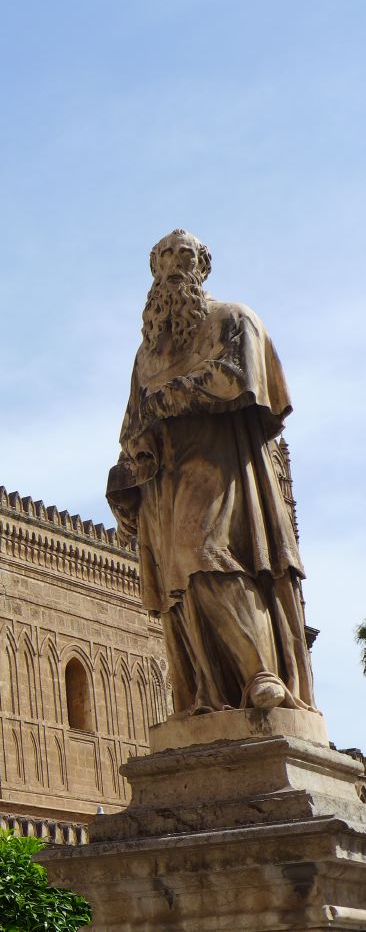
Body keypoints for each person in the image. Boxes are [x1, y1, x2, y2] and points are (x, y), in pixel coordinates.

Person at [106, 230, 315, 717]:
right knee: (176, 586)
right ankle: (206, 690)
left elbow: (240, 381)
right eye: (162, 258)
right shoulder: (148, 354)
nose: (171, 266)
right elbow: (132, 423)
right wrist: (128, 467)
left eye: (183, 256)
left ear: (203, 266)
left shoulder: (233, 320)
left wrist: (175, 395)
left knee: (205, 554)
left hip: (220, 465)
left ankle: (261, 671)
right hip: (165, 479)